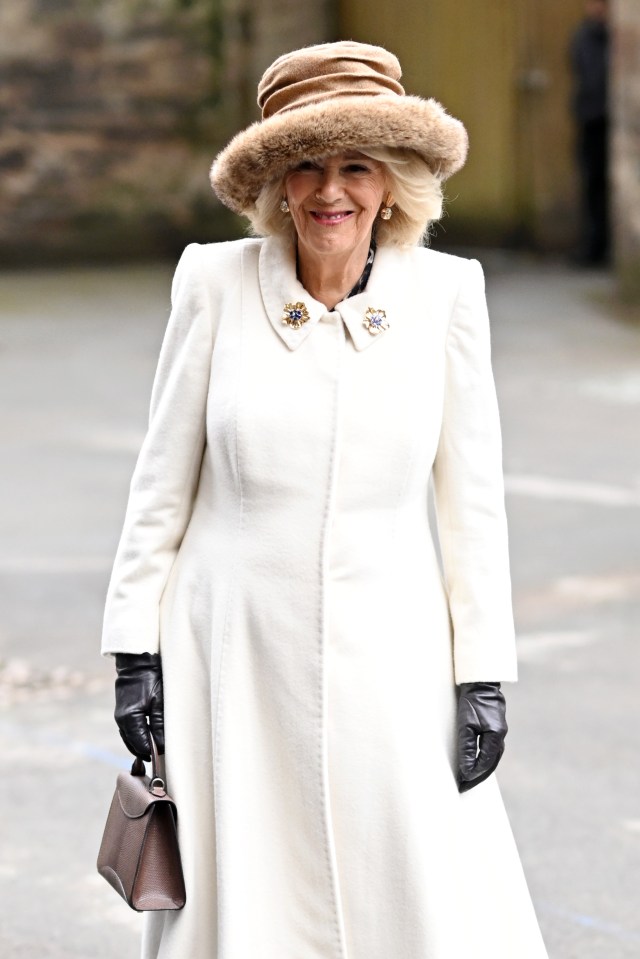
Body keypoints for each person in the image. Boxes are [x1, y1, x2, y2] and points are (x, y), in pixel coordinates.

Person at [102, 41, 549, 959]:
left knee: (413, 878)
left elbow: (473, 505)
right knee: (250, 889)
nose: (328, 191)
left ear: (393, 185)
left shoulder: (448, 293)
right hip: (229, 646)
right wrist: (132, 653)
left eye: (356, 166)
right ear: (274, 185)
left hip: (396, 648)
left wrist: (484, 674)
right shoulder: (211, 284)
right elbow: (161, 484)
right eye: (304, 165)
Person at [570, 0, 610, 264]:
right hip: (593, 121)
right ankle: (595, 247)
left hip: (608, 120)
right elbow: (588, 76)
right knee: (593, 185)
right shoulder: (584, 37)